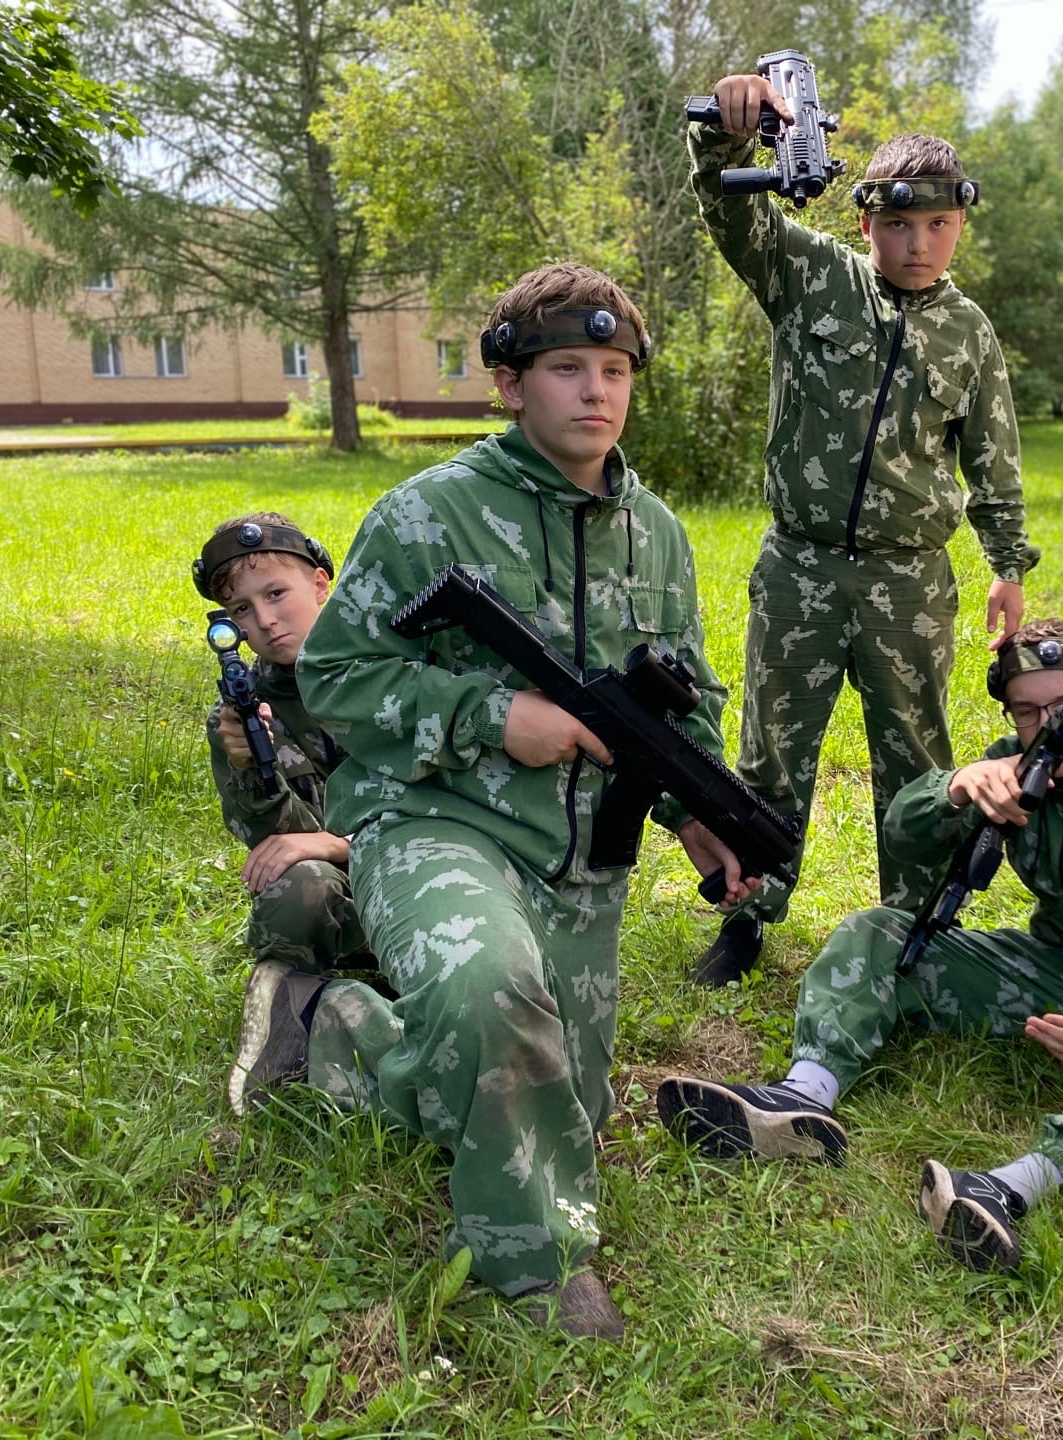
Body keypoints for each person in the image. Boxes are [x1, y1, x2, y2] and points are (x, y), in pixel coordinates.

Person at [237, 262, 756, 1340]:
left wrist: (701, 815)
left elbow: (681, 701)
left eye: (614, 371)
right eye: (567, 368)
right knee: (493, 1003)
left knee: (541, 1092)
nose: (595, 392)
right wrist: (488, 713)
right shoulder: (430, 514)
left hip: (581, 861)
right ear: (510, 383)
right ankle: (532, 1270)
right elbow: (332, 675)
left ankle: (331, 1024)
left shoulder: (657, 533)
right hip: (435, 824)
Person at [657, 620, 1063, 1271]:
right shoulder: (1020, 766)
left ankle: (1011, 1186)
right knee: (876, 932)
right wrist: (958, 787)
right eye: (1026, 711)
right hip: (1055, 975)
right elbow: (902, 835)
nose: (1046, 726)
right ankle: (804, 1099)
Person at [685, 73, 1040, 985]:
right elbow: (731, 218)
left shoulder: (970, 332)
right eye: (896, 224)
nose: (915, 244)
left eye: (936, 226)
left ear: (960, 225)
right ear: (864, 221)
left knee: (915, 759)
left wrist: (1007, 563)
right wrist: (729, 135)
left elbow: (992, 454)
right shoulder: (810, 277)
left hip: (908, 582)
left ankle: (911, 931)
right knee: (772, 750)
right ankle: (750, 912)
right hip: (800, 567)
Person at [195, 513, 368, 1001]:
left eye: (275, 594)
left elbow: (451, 808)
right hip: (348, 897)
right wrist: (252, 768)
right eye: (241, 610)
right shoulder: (243, 716)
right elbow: (275, 853)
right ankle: (294, 1007)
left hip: (431, 873)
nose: (265, 621)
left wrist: (337, 844)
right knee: (297, 889)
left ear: (319, 584)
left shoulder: (391, 674)